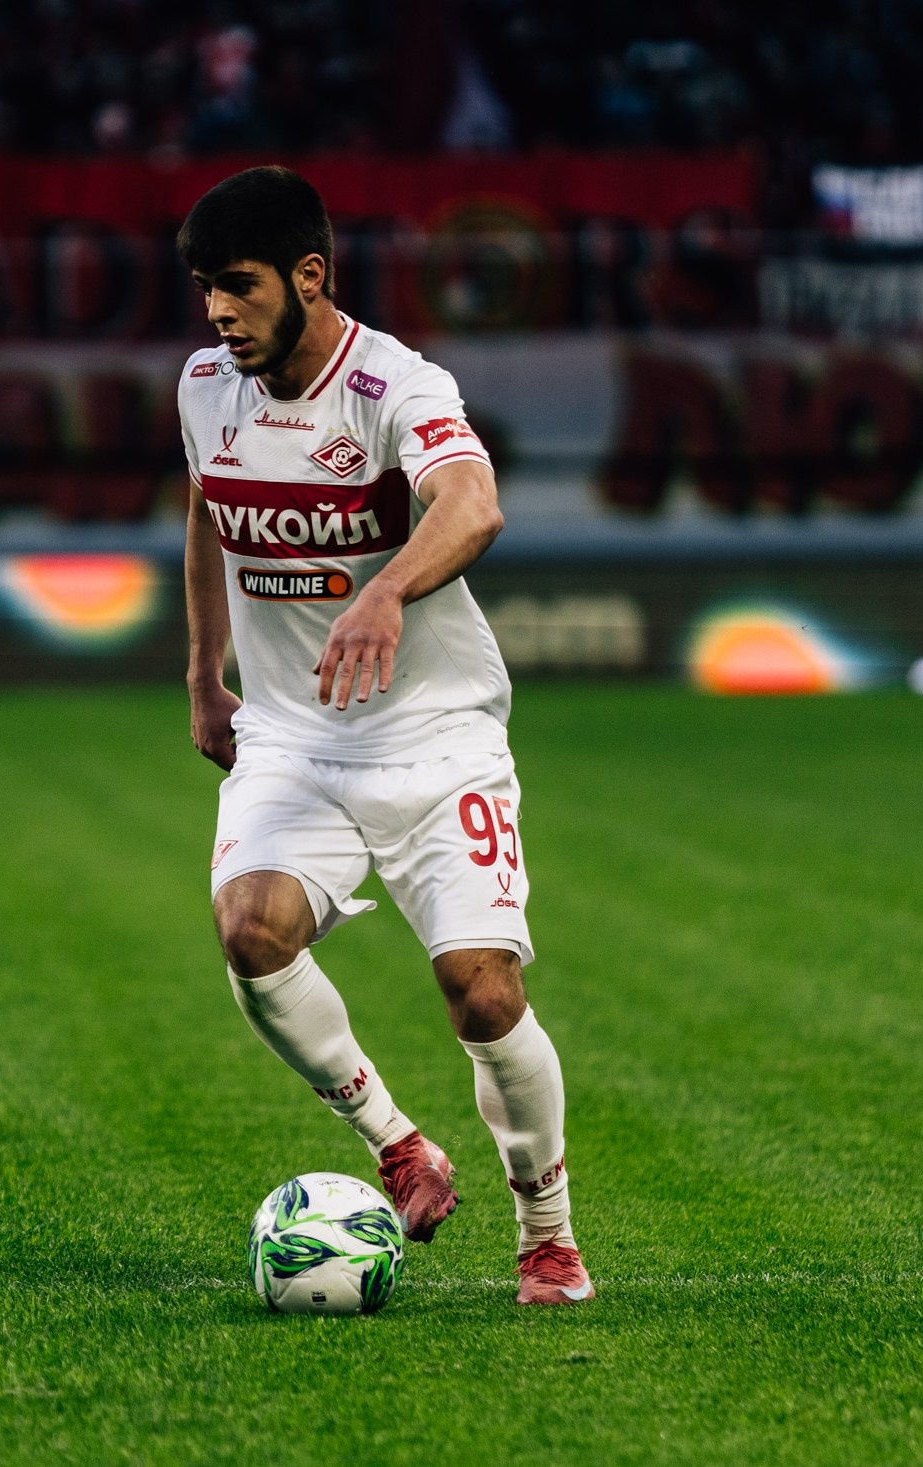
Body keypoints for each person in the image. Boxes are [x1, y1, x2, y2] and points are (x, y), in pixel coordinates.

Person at [177, 166, 590, 1305]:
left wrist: (385, 591)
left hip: (434, 734)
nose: (217, 312)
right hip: (292, 742)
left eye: (238, 287)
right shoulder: (208, 384)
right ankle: (396, 1143)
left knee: (484, 996)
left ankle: (546, 1234)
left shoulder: (394, 383)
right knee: (249, 932)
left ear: (307, 277)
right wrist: (205, 677)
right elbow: (207, 514)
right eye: (205, 290)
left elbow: (472, 503)